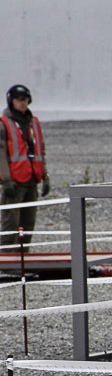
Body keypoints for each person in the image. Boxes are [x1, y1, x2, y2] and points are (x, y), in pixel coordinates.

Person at [0, 84, 49, 251]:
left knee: (28, 223)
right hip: (15, 180)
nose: (23, 103)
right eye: (19, 100)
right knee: (10, 224)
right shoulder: (4, 123)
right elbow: (1, 154)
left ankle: (24, 258)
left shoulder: (33, 123)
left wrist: (45, 175)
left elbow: (40, 150)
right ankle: (6, 262)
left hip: (32, 178)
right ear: (11, 101)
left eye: (25, 100)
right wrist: (6, 179)